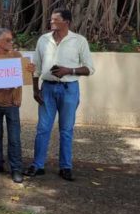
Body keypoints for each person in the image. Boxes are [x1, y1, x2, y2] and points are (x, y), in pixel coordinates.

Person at [27, 9, 95, 181]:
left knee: (66, 130)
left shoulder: (79, 41)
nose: (52, 23)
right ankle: (38, 165)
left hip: (69, 89)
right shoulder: (43, 40)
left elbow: (89, 69)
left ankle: (65, 167)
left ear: (67, 22)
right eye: (51, 20)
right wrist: (36, 89)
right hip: (47, 88)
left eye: (56, 20)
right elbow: (35, 66)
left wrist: (68, 70)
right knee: (43, 129)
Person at [0, 28, 35, 184]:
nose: (11, 43)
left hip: (12, 104)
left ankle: (16, 168)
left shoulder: (17, 56)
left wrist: (31, 71)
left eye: (11, 39)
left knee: (15, 138)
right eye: (7, 40)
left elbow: (22, 78)